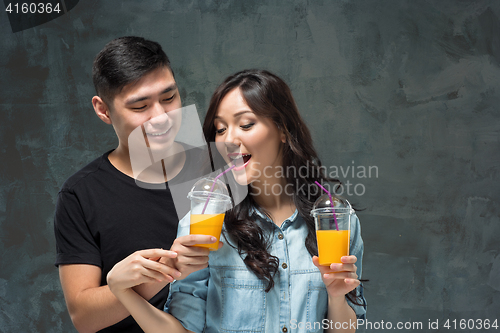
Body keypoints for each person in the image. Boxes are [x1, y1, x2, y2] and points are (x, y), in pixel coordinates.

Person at [108, 69, 367, 332]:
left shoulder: (334, 220)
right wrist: (124, 292)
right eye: (221, 129)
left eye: (245, 125)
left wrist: (336, 296)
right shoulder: (204, 223)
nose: (229, 140)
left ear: (283, 130)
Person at [54, 36, 216, 333]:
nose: (161, 118)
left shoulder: (218, 167)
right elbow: (84, 317)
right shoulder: (80, 194)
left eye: (169, 98)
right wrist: (165, 272)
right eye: (140, 106)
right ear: (103, 110)